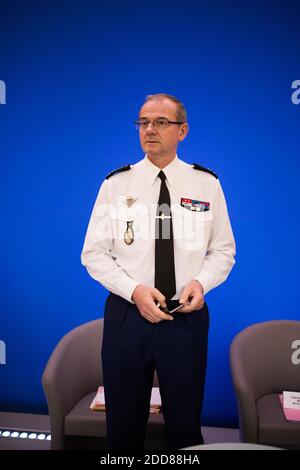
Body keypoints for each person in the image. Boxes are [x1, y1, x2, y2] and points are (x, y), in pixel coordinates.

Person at [81, 93, 236, 450]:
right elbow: (93, 253)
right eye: (144, 122)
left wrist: (202, 282)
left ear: (182, 130)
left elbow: (223, 251)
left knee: (184, 425)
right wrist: (134, 290)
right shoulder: (116, 185)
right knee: (122, 426)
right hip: (127, 315)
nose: (150, 129)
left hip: (185, 314)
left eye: (161, 122)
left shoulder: (206, 184)